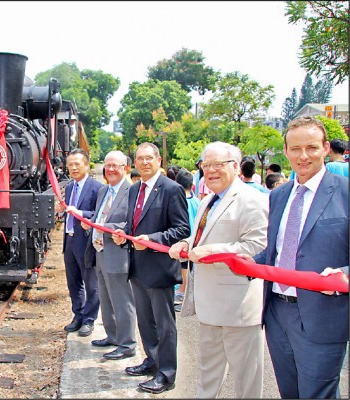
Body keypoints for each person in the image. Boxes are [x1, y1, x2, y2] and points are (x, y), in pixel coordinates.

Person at [239, 116, 348, 399]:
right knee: (289, 392)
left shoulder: (345, 193)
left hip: (323, 315)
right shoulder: (278, 196)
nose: (303, 156)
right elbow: (273, 251)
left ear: (325, 148)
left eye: (311, 147)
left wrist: (345, 273)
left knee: (317, 394)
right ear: (285, 151)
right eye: (295, 148)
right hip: (277, 313)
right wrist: (248, 263)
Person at [169, 142, 269, 398]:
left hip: (238, 305)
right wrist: (186, 243)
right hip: (208, 304)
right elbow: (200, 238)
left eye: (218, 164)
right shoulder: (208, 200)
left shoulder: (252, 199)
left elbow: (257, 246)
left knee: (246, 378)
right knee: (208, 373)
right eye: (206, 165)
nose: (210, 170)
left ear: (235, 167)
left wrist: (213, 252)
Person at [112, 142, 190, 394]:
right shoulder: (135, 190)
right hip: (137, 267)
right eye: (139, 159)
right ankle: (152, 360)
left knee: (164, 325)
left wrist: (153, 240)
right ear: (134, 163)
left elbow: (182, 229)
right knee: (145, 321)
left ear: (158, 160)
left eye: (149, 158)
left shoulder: (171, 189)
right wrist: (124, 234)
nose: (144, 163)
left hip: (159, 268)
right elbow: (134, 224)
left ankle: (167, 374)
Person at [81, 150, 137, 360]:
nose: (111, 170)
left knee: (122, 300)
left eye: (116, 166)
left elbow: (133, 223)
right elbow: (98, 216)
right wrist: (89, 223)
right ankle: (112, 336)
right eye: (108, 165)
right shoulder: (104, 190)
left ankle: (127, 344)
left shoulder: (131, 191)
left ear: (125, 168)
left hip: (118, 253)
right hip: (100, 251)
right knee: (106, 297)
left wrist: (112, 228)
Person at [55, 148, 102, 337]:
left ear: (87, 165)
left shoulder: (97, 188)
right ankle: (78, 315)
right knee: (73, 283)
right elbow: (68, 211)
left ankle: (89, 320)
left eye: (77, 164)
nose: (73, 168)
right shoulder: (69, 187)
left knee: (91, 283)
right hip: (70, 240)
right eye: (70, 165)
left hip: (86, 242)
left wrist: (81, 214)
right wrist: (60, 211)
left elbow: (99, 216)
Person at [173, 169, 200, 311]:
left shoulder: (179, 201)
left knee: (184, 268)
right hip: (195, 239)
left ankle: (182, 294)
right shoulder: (197, 201)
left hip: (183, 241)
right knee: (188, 268)